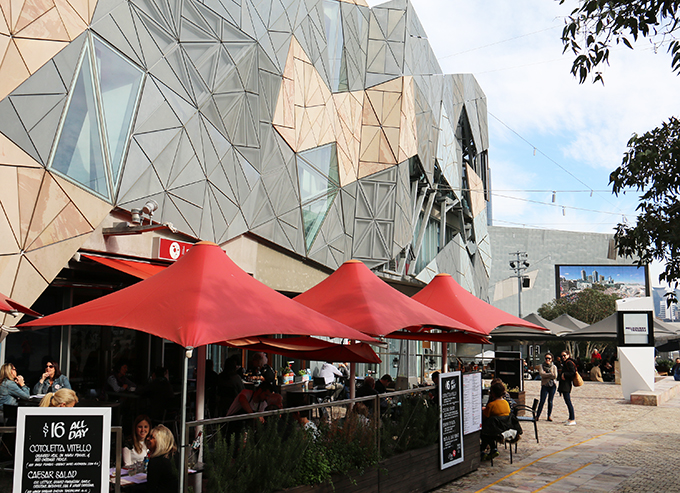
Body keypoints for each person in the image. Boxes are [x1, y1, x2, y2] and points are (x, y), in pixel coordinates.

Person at [480, 382, 511, 461]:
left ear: (492, 393)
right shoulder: (506, 403)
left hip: (494, 430)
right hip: (504, 427)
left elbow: (485, 417)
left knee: (484, 432)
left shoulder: (491, 405)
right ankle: (489, 449)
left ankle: (485, 449)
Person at [145, 424, 178, 491]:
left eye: (151, 437)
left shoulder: (156, 461)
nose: (148, 438)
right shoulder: (176, 455)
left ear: (159, 440)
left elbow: (151, 487)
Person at [536, 353, 557, 421]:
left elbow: (555, 376)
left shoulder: (554, 367)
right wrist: (550, 374)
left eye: (549, 358)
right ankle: (537, 415)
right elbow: (542, 374)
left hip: (552, 385)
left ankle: (549, 416)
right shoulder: (541, 366)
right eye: (546, 358)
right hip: (545, 385)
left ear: (551, 359)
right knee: (542, 401)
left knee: (550, 401)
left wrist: (547, 374)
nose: (547, 360)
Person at [558, 350, 577, 426]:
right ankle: (570, 418)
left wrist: (564, 374)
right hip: (565, 384)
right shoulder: (565, 363)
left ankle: (572, 419)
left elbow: (573, 372)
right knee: (567, 401)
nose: (563, 357)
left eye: (564, 355)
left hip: (567, 385)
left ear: (568, 355)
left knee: (568, 402)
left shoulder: (569, 362)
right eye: (562, 356)